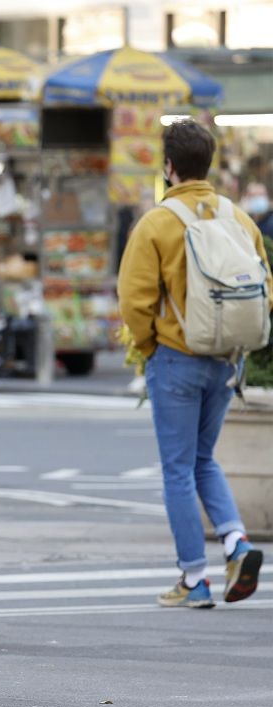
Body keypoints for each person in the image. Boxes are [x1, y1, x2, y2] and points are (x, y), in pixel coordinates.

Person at [118, 119, 269, 609]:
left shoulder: (158, 222)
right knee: (204, 459)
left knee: (179, 469)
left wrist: (148, 346)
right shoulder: (238, 217)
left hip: (176, 358)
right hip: (226, 359)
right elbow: (265, 284)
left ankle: (193, 579)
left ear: (168, 166)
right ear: (209, 164)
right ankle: (236, 542)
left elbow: (135, 299)